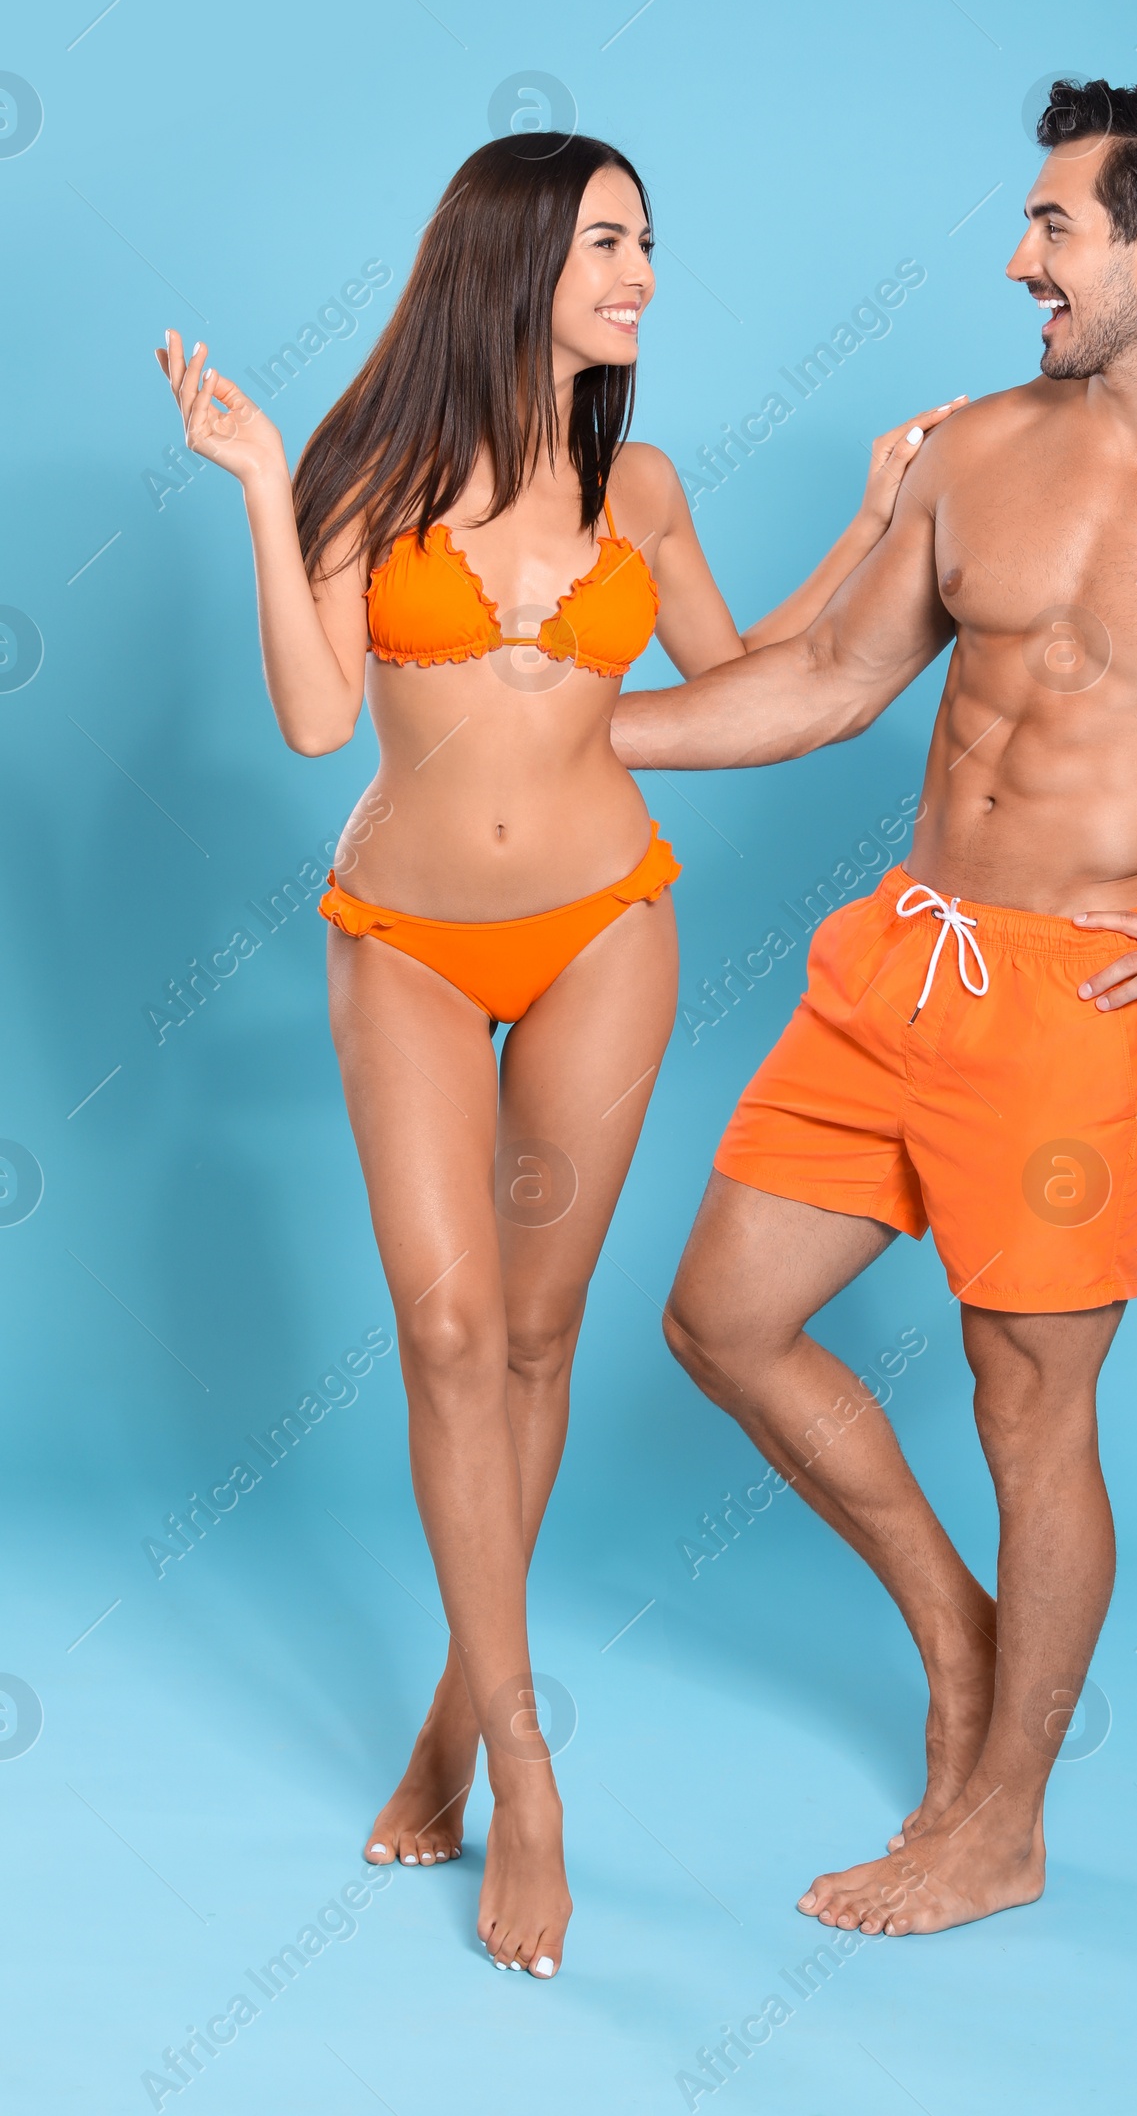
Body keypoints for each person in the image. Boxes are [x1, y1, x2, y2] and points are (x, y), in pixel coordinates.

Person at [611, 78, 1137, 1938]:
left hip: (1084, 1005)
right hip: (897, 962)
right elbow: (826, 687)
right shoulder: (980, 447)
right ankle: (957, 1632)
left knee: (1028, 1414)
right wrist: (547, 742)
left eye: (1054, 228)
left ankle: (1000, 1821)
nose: (1019, 261)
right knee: (722, 1318)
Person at [155, 130, 960, 1978]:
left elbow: (748, 667)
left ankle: (455, 1707)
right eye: (613, 241)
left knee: (534, 1334)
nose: (645, 275)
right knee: (445, 1337)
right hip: (408, 946)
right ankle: (519, 1757)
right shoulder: (380, 469)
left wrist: (867, 517)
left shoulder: (645, 484)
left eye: (652, 244)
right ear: (516, 256)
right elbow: (308, 722)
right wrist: (266, 485)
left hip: (607, 927)